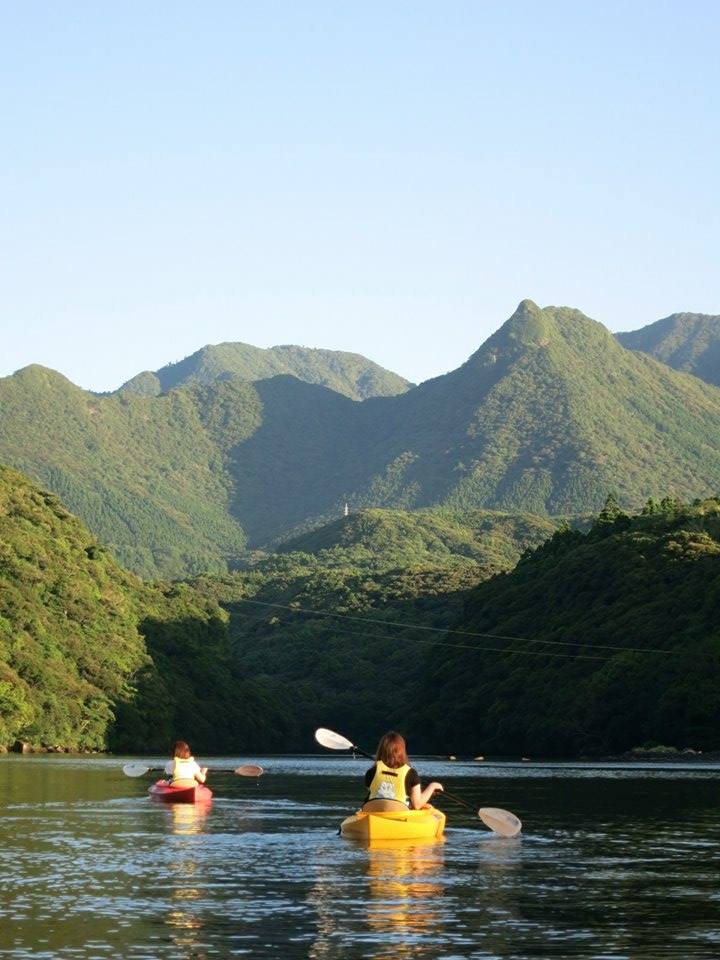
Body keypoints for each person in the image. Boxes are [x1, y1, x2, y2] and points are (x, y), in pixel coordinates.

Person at [363, 731, 443, 812]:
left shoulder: (372, 771)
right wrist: (432, 787)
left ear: (381, 750)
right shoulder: (411, 774)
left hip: (374, 814)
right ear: (402, 751)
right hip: (399, 816)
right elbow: (417, 805)